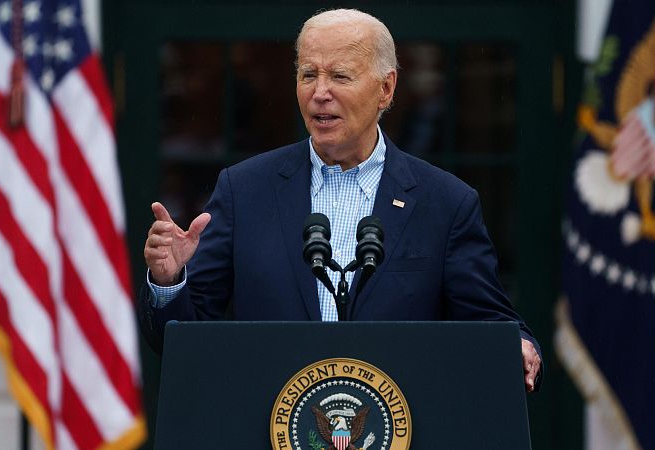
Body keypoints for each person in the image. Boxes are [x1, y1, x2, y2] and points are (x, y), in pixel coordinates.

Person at [140, 8, 542, 392]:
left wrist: (519, 346)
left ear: (386, 88)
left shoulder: (446, 202)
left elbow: (489, 322)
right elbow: (184, 340)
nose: (319, 93)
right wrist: (169, 282)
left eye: (340, 76)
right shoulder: (245, 190)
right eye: (308, 74)